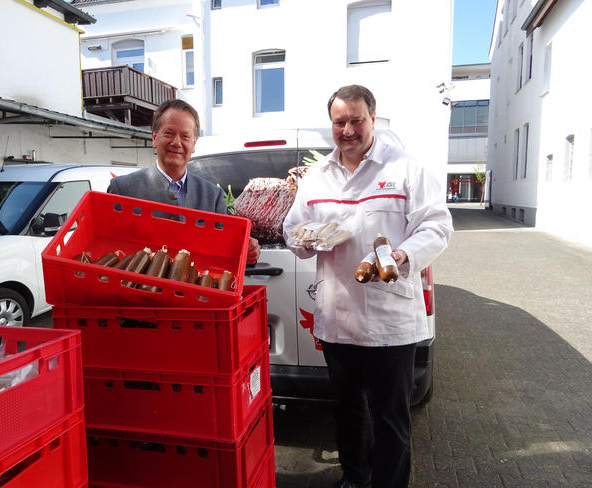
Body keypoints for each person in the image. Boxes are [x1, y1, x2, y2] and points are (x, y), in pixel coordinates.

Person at [283, 85, 453, 488]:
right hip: (337, 317)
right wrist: (304, 240)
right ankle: (354, 479)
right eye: (339, 122)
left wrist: (402, 256)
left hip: (389, 320)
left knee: (390, 416)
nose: (347, 130)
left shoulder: (404, 168)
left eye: (356, 120)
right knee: (346, 410)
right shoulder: (317, 176)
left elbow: (437, 225)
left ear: (372, 120)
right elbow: (292, 229)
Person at [108, 98, 260, 264]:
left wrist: (247, 250)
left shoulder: (212, 196)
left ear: (194, 144)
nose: (176, 143)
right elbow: (108, 250)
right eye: (169, 133)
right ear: (154, 137)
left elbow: (224, 249)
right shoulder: (122, 189)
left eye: (185, 136)